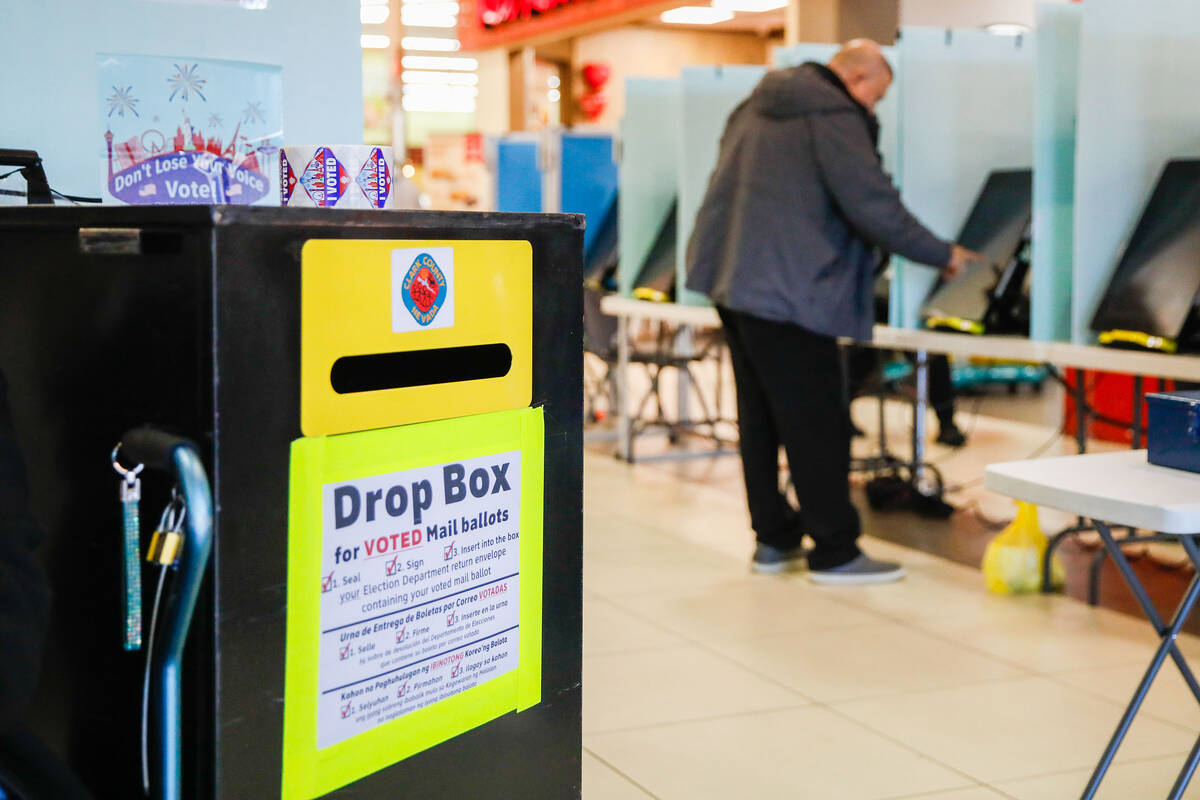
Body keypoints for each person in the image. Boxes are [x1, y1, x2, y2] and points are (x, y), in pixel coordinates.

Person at [685, 39, 980, 584]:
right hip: (793, 289)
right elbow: (871, 202)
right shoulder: (832, 113)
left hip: (734, 280)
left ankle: (773, 541)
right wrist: (943, 255)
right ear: (858, 79)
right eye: (877, 96)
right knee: (815, 420)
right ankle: (835, 551)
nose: (874, 109)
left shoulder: (756, 104)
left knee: (762, 417)